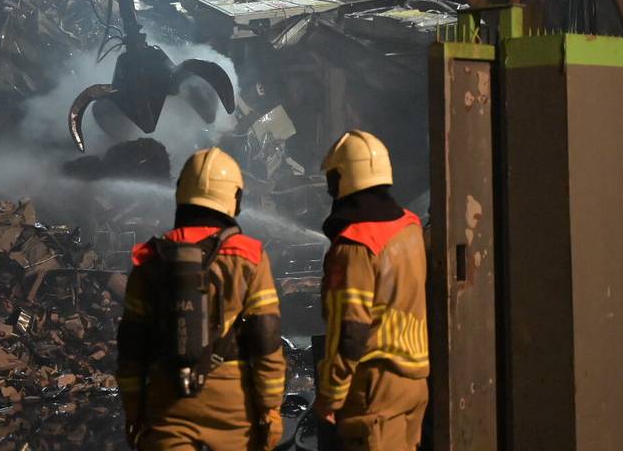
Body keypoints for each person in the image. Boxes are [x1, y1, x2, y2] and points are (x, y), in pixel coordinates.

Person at [117, 147, 286, 450]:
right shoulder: (249, 256)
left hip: (167, 407)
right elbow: (266, 338)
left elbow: (131, 346)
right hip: (233, 409)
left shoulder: (149, 258)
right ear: (234, 198)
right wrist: (270, 408)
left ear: (181, 193)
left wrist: (133, 411)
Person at [314, 130, 429, 450]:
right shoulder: (409, 228)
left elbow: (350, 331)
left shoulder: (355, 247)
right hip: (414, 383)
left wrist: (329, 396)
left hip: (373, 390)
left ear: (341, 180)